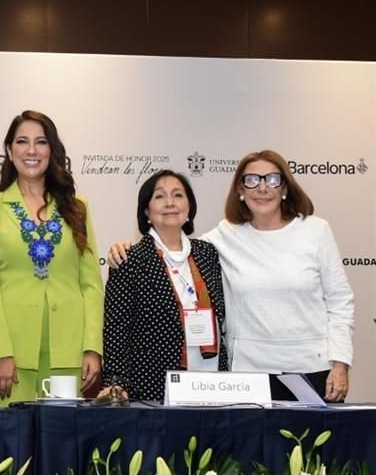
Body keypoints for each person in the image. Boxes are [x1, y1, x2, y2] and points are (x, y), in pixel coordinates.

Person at [108, 150, 354, 401]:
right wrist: (124, 248)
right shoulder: (225, 236)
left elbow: (340, 301)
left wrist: (340, 363)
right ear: (240, 191)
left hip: (313, 369)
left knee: (313, 441)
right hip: (249, 374)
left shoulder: (315, 230)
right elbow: (175, 247)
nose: (262, 188)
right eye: (251, 180)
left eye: (271, 179)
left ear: (285, 188)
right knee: (256, 442)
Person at [0, 110, 104, 406]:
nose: (31, 150)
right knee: (7, 446)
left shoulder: (77, 208)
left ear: (52, 150)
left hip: (68, 352)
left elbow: (91, 284)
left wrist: (92, 347)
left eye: (41, 142)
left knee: (60, 445)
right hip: (9, 355)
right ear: (9, 150)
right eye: (22, 142)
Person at [101, 170, 226, 402]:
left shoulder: (207, 253)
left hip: (212, 383)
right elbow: (116, 328)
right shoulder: (130, 258)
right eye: (159, 196)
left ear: (189, 207)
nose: (170, 203)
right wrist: (115, 382)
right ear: (146, 210)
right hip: (153, 387)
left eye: (178, 195)